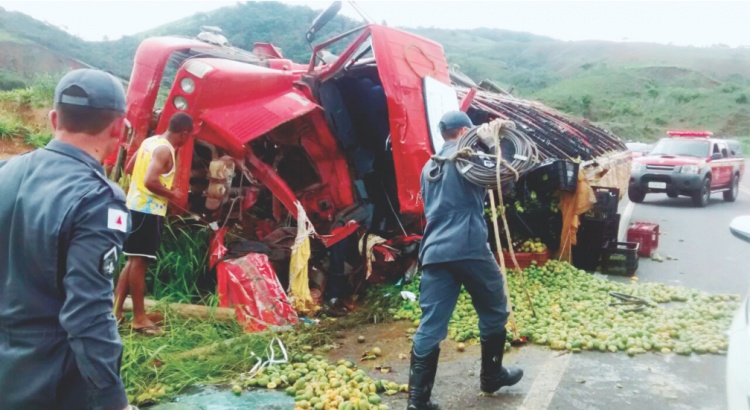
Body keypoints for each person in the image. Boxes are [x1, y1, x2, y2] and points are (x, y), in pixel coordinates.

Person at [0, 69, 136, 409]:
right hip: (51, 381)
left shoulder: (6, 172)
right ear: (118, 128)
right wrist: (111, 398)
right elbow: (87, 313)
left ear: (53, 118)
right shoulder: (98, 200)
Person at [407, 111, 524, 410]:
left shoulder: (428, 166)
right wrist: (494, 143)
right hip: (469, 246)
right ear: (463, 132)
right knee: (495, 307)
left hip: (433, 251)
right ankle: (492, 376)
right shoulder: (469, 159)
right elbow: (505, 176)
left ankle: (417, 401)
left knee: (430, 324)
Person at [113, 112, 193, 335]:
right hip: (147, 211)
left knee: (132, 261)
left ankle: (116, 311)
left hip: (134, 206)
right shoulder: (164, 149)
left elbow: (129, 168)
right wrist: (172, 193)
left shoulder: (150, 142)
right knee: (140, 263)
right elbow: (150, 181)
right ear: (185, 133)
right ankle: (139, 318)